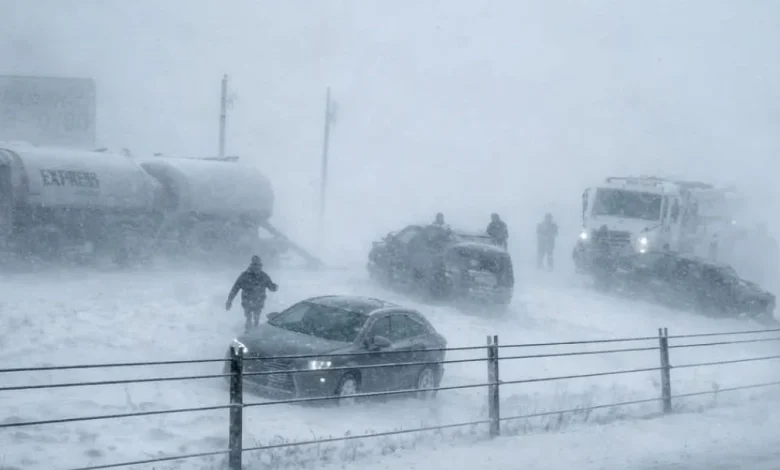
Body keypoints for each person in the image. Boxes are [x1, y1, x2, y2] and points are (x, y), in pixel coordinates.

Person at [226, 255, 279, 333]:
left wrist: (274, 287)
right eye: (255, 265)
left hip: (258, 301)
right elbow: (235, 288)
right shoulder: (245, 276)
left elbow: (271, 287)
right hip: (248, 301)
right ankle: (248, 331)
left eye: (259, 265)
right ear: (252, 265)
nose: (257, 267)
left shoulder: (264, 276)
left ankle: (254, 330)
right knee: (249, 317)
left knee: (256, 317)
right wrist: (229, 300)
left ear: (261, 266)